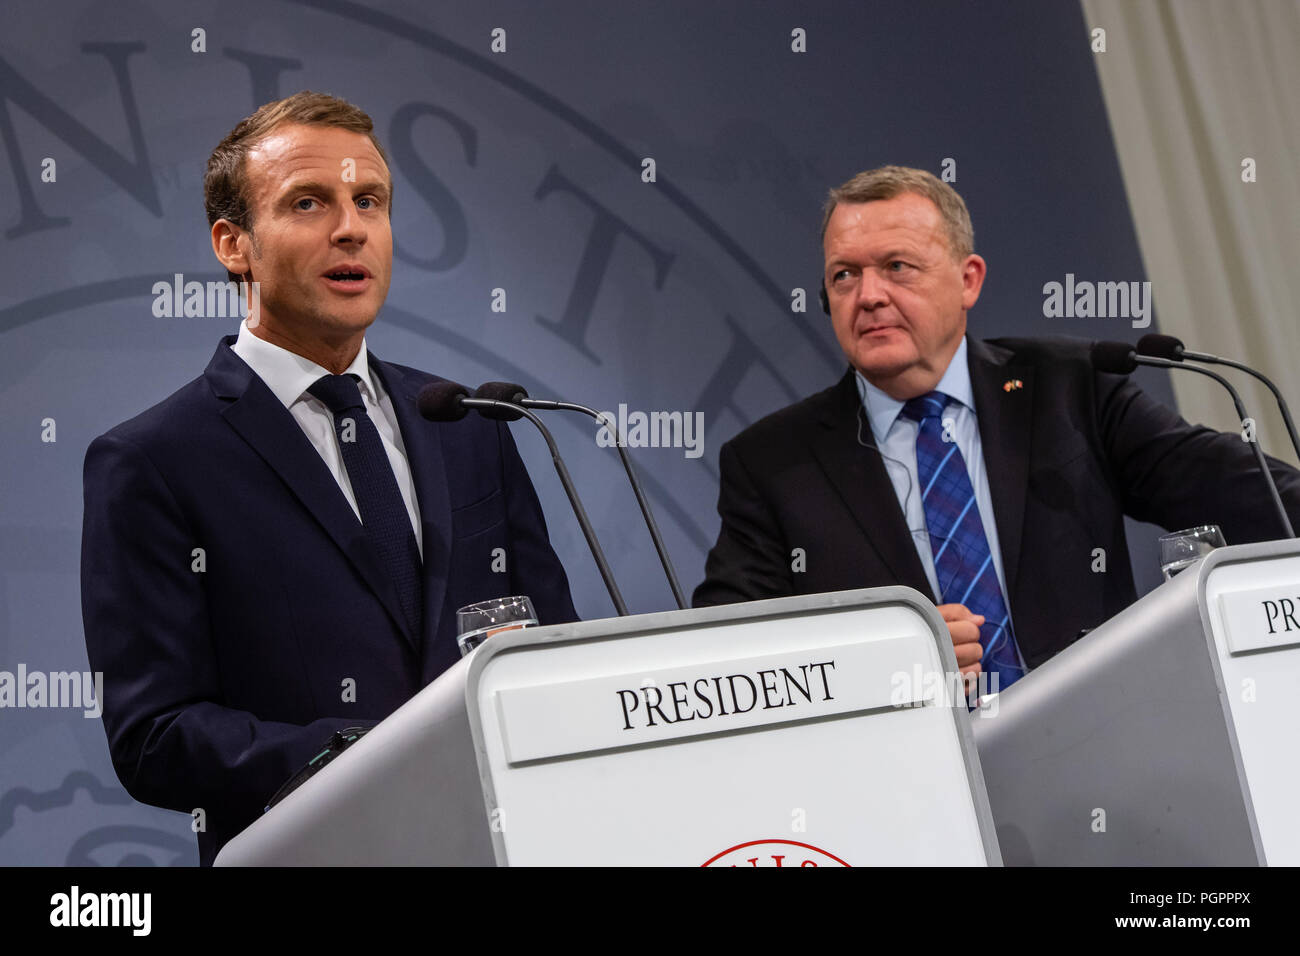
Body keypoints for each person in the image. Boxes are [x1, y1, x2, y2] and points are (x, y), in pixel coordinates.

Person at [80, 92, 577, 865]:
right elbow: (153, 736)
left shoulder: (468, 423)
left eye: (369, 201)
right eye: (308, 202)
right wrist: (362, 757)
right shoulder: (154, 461)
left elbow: (551, 656)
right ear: (232, 244)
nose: (351, 227)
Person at [693, 165, 1300, 695]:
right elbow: (732, 656)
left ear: (968, 280)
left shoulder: (1069, 387)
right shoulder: (773, 463)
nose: (868, 295)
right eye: (844, 276)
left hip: (1103, 750)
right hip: (909, 780)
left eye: (896, 267)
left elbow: (1245, 493)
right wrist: (883, 658)